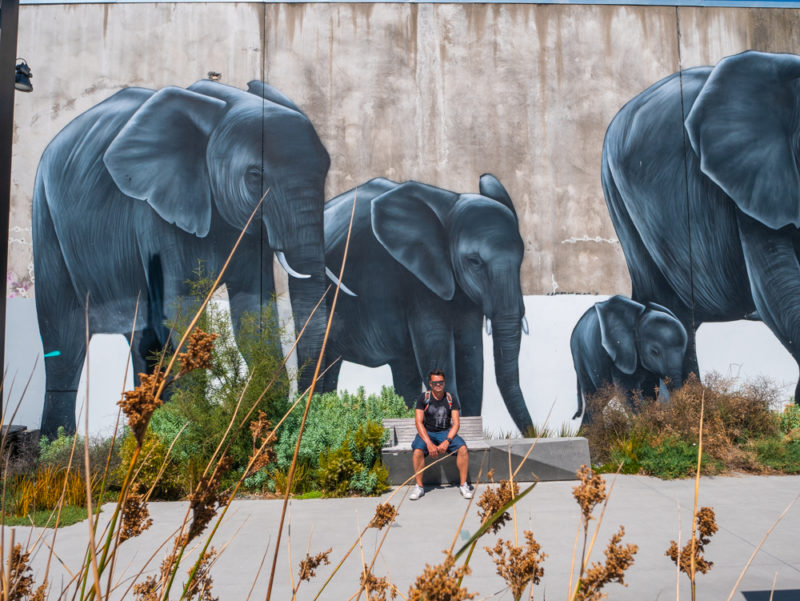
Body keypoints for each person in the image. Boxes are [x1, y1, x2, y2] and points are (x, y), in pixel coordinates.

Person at [409, 369, 472, 500]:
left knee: (463, 448)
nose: (438, 385)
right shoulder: (424, 398)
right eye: (435, 382)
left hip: (445, 432)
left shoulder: (450, 398)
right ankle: (419, 487)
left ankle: (463, 485)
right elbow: (418, 422)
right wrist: (428, 443)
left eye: (441, 382)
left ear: (444, 383)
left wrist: (447, 441)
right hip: (428, 432)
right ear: (430, 384)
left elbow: (456, 424)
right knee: (418, 451)